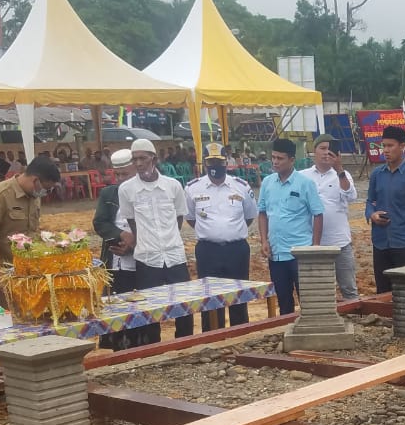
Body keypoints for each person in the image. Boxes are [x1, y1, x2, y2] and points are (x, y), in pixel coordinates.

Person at [118, 138, 193, 343]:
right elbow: (133, 223)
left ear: (154, 159)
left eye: (143, 158)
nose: (139, 164)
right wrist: (148, 241)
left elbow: (179, 218)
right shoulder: (126, 189)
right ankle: (154, 348)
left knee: (184, 306)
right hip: (147, 258)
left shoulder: (173, 186)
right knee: (149, 310)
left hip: (175, 256)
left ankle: (185, 344)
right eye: (135, 160)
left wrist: (168, 240)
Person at [187, 143, 257, 328]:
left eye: (219, 161)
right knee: (210, 300)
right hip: (208, 251)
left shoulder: (241, 186)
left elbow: (249, 216)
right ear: (204, 163)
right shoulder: (193, 188)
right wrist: (212, 232)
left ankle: (239, 335)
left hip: (236, 250)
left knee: (238, 298)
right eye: (211, 162)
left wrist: (229, 231)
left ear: (227, 162)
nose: (215, 166)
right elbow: (191, 218)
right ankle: (211, 337)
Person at [0, 156, 59, 308]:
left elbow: (32, 232)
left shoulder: (34, 197)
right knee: (9, 321)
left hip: (26, 272)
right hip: (4, 271)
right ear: (35, 180)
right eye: (46, 189)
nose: (46, 193)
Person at [258, 138, 323, 314]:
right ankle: (288, 334)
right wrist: (264, 240)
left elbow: (318, 214)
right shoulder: (267, 183)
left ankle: (310, 335)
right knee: (283, 299)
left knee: (307, 299)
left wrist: (315, 247)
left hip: (300, 253)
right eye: (273, 157)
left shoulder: (305, 183)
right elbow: (262, 213)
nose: (275, 162)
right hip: (276, 254)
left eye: (280, 158)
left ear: (292, 160)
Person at [365, 125, 405, 294]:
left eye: (390, 146)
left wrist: (399, 216)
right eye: (383, 146)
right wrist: (372, 214)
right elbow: (370, 200)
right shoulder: (377, 175)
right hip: (380, 241)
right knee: (383, 289)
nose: (386, 150)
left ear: (402, 146)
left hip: (403, 241)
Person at [301, 134, 359, 301]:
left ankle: (357, 323)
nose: (326, 153)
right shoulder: (302, 176)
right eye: (323, 148)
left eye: (330, 149)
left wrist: (339, 169)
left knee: (349, 288)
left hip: (339, 242)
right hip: (312, 243)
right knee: (319, 290)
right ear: (314, 151)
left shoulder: (343, 175)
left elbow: (351, 196)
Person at [95, 150, 139, 350]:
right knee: (115, 307)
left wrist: (133, 245)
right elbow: (100, 223)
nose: (121, 179)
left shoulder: (144, 192)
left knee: (138, 306)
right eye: (118, 175)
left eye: (125, 175)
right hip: (114, 260)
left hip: (141, 260)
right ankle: (116, 350)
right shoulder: (108, 193)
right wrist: (122, 236)